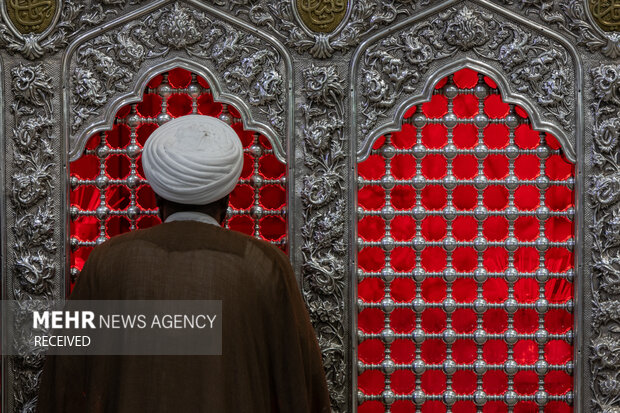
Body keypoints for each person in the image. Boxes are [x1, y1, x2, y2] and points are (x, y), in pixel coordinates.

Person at [36, 115, 331, 412]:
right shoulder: (265, 266)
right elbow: (299, 384)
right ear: (227, 200)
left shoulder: (108, 260)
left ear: (155, 196)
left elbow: (64, 380)